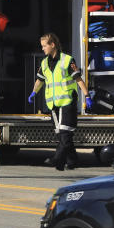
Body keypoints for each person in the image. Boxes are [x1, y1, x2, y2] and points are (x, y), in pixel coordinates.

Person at [28, 32, 91, 171]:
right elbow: (40, 80)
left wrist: (87, 95)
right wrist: (33, 92)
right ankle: (72, 161)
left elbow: (78, 79)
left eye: (44, 46)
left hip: (67, 101)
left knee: (66, 133)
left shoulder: (67, 60)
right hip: (53, 104)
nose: (42, 49)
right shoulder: (44, 63)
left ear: (52, 45)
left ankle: (57, 160)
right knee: (61, 134)